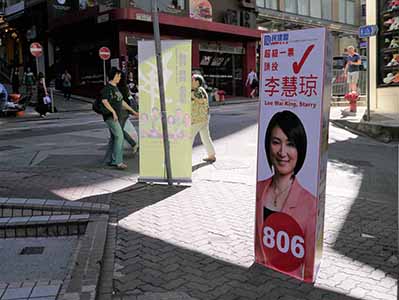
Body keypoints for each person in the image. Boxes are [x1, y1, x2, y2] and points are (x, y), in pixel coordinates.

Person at [255, 110, 317, 282]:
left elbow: (309, 261)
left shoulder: (310, 203)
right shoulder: (260, 189)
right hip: (261, 276)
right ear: (268, 145)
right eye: (276, 142)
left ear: (300, 149)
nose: (282, 152)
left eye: (290, 144)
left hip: (290, 283)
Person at [101, 67, 137, 170]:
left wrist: (133, 111)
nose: (120, 77)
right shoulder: (107, 88)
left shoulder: (115, 88)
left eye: (120, 76)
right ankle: (118, 161)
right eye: (118, 75)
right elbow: (104, 101)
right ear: (113, 76)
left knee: (115, 137)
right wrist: (113, 112)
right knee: (120, 136)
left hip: (116, 116)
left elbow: (122, 102)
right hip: (110, 117)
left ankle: (111, 160)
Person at [191, 74, 216, 163]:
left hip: (198, 119)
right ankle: (211, 155)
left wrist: (192, 96)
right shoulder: (201, 90)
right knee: (205, 137)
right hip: (204, 118)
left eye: (192, 80)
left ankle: (184, 157)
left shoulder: (198, 91)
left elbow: (201, 101)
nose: (190, 82)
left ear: (197, 82)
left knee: (189, 137)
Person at [118, 72, 139, 153]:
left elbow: (123, 101)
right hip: (125, 112)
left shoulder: (118, 88)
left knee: (119, 130)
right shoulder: (125, 88)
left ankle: (133, 143)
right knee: (118, 130)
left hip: (122, 112)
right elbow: (130, 98)